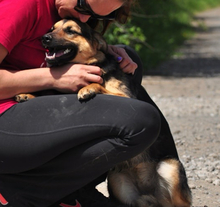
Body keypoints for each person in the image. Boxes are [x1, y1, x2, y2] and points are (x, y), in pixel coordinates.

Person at [0, 0, 179, 206]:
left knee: (127, 63)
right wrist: (54, 77)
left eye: (98, 16)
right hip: (5, 119)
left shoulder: (63, 13)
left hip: (29, 108)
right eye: (83, 9)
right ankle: (24, 191)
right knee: (140, 121)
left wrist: (106, 52)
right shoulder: (22, 5)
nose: (85, 18)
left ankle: (72, 190)